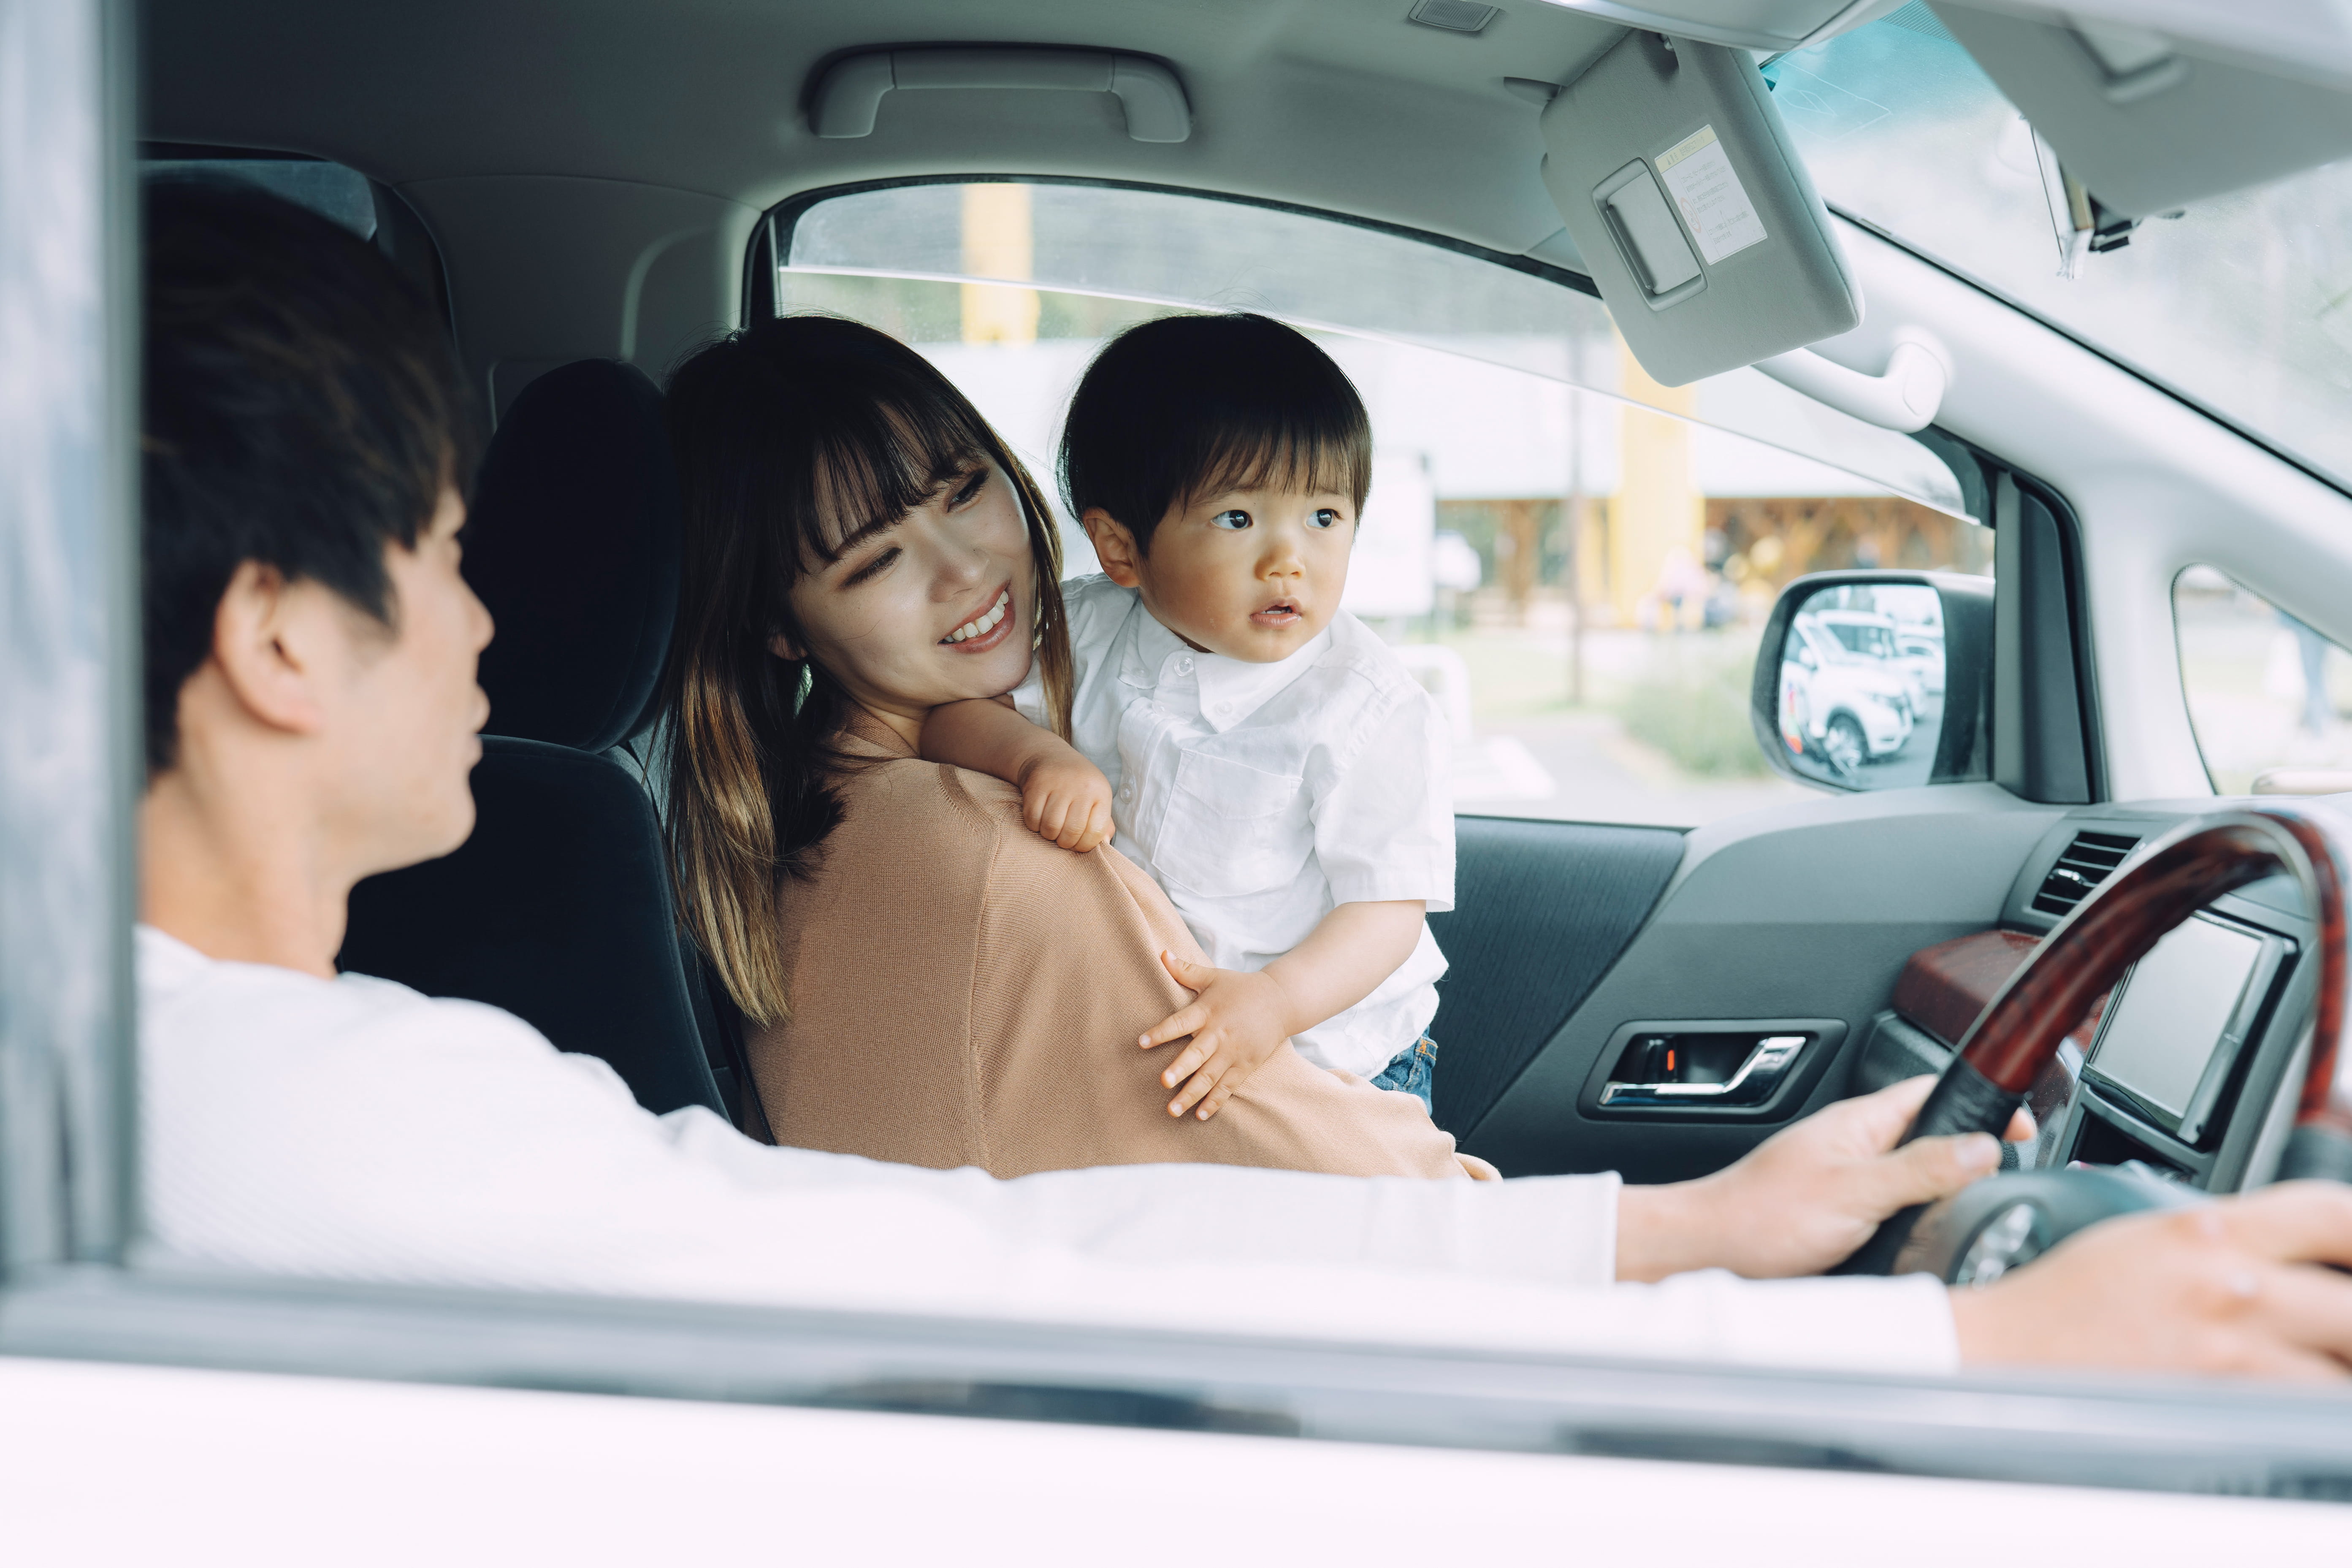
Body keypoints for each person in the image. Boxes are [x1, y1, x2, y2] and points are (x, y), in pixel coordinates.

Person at [135, 180, 2352, 1382]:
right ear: (276, 638)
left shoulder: (308, 1067)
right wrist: (1964, 1352)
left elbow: (957, 1244)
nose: (498, 624)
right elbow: (1012, 1287)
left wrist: (1678, 1226)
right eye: (440, 555)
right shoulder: (306, 1111)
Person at [919, 313, 1450, 1120]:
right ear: (1121, 549)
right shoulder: (1083, 633)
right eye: (1238, 519)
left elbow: (1386, 914)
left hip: (1336, 1062)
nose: (1290, 559)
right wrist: (1033, 757)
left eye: (1324, 517)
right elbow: (949, 717)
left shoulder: (1364, 706)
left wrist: (1275, 1002)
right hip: (1156, 1044)